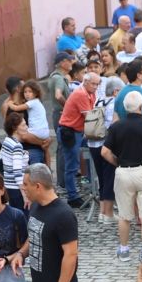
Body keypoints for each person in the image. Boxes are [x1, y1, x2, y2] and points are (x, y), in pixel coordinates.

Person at [102, 89, 142, 255]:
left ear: (124, 106)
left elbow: (104, 152)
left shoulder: (116, 126)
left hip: (123, 172)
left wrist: (118, 163)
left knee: (124, 215)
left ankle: (123, 248)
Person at [57, 68, 101, 208]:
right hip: (70, 131)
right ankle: (72, 196)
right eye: (93, 84)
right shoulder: (81, 94)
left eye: (97, 84)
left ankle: (89, 184)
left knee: (87, 156)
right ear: (86, 82)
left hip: (78, 131)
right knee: (72, 165)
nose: (95, 87)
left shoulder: (89, 93)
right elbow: (89, 116)